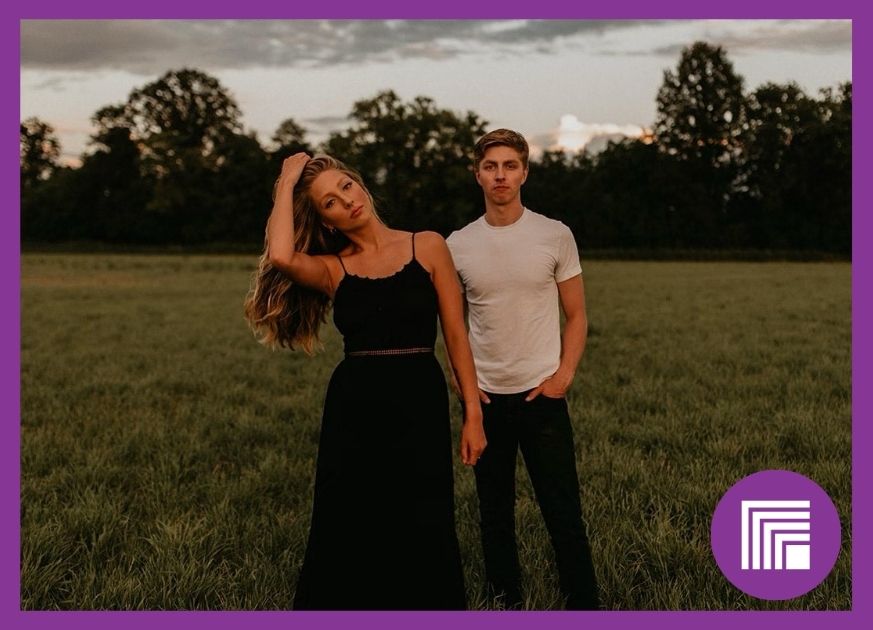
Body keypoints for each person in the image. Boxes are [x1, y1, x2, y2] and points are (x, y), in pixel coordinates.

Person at [244, 153, 486, 610]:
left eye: (346, 187)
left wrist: (472, 412)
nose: (346, 202)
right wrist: (286, 182)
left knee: (423, 507)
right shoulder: (333, 269)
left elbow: (455, 335)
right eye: (330, 202)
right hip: (355, 404)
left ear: (361, 185)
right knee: (351, 511)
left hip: (420, 395)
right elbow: (279, 254)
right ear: (327, 222)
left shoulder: (428, 245)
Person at [446, 129, 600, 610]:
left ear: (524, 172)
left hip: (543, 396)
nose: (500, 175)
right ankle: (503, 602)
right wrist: (468, 392)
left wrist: (563, 376)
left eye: (510, 165)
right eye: (491, 166)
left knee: (563, 512)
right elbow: (453, 327)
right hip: (487, 401)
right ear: (477, 174)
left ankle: (584, 604)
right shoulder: (457, 244)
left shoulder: (554, 234)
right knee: (494, 514)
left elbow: (577, 315)